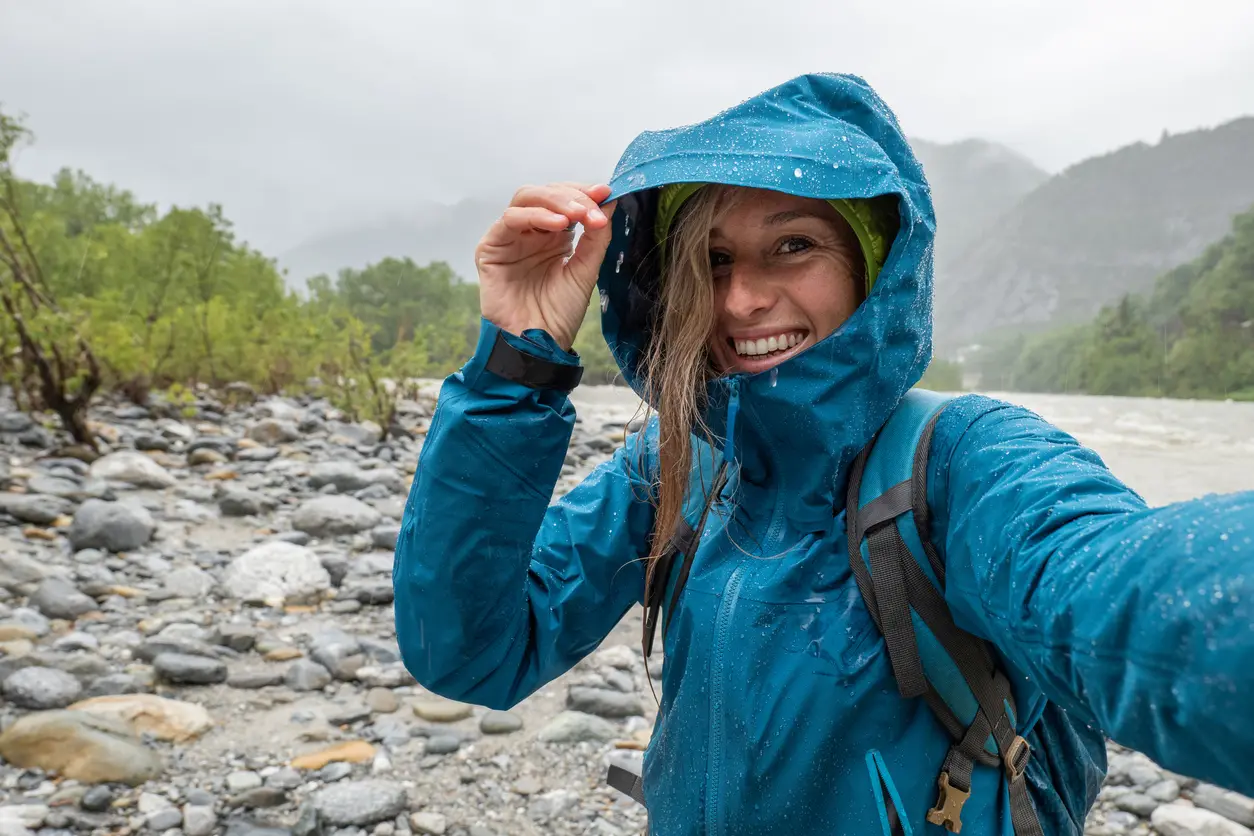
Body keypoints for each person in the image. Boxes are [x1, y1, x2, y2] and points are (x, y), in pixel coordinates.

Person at [392, 73, 1254, 835]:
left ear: (872, 265)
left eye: (793, 245)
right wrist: (516, 365)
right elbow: (475, 648)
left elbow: (1116, 586)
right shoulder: (681, 463)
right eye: (714, 259)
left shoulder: (961, 461)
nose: (741, 298)